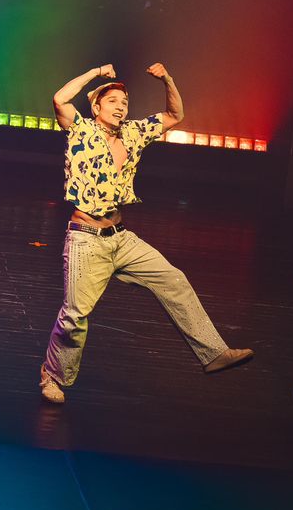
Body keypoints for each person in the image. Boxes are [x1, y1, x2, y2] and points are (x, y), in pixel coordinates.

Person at [38, 63, 252, 403]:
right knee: (75, 316)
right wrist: (96, 73)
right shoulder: (80, 129)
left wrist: (168, 79)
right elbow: (60, 99)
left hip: (121, 238)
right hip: (85, 238)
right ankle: (52, 375)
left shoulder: (133, 132)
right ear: (96, 107)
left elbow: (175, 115)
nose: (121, 106)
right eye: (113, 101)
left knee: (174, 280)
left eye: (125, 102)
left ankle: (213, 353)